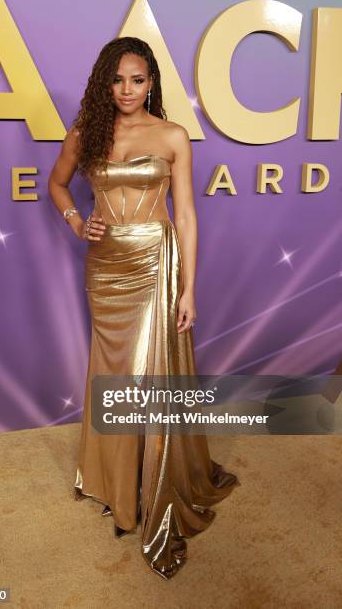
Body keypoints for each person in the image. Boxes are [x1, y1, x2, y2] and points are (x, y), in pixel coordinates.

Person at [48, 36, 240, 580]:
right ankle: (113, 482)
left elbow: (187, 217)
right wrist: (78, 223)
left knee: (147, 375)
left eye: (137, 79)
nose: (127, 89)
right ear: (104, 84)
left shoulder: (173, 135)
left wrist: (189, 289)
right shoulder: (87, 133)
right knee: (110, 371)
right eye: (117, 80)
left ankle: (148, 489)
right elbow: (57, 186)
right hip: (105, 269)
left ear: (151, 81)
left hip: (157, 265)